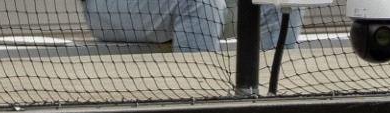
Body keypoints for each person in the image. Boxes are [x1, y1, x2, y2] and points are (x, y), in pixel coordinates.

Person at [82, 0, 300, 54]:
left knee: (282, 1)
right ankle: (201, 106)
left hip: (208, 9)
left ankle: (272, 101)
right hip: (113, 7)